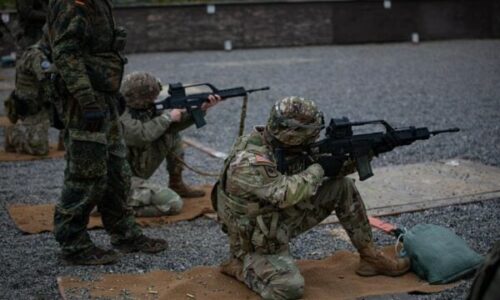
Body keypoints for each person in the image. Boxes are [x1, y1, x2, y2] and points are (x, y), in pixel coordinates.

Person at [214, 97, 410, 300]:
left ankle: (370, 257)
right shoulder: (249, 161)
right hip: (253, 242)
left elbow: (332, 169)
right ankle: (238, 266)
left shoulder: (287, 145)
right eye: (311, 133)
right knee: (289, 288)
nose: (315, 137)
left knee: (342, 186)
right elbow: (284, 194)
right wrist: (320, 168)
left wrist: (369, 151)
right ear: (292, 133)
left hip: (274, 222)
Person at [47, 0, 166, 265]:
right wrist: (87, 100)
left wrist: (113, 95)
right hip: (83, 101)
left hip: (104, 98)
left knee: (117, 170)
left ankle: (124, 234)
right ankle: (73, 244)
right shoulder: (73, 3)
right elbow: (66, 53)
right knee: (86, 175)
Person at [119, 72, 220, 217]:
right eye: (151, 98)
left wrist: (201, 108)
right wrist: (168, 117)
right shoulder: (119, 113)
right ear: (141, 99)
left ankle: (176, 184)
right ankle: (112, 210)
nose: (154, 100)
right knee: (173, 204)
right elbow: (140, 135)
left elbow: (169, 127)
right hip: (116, 182)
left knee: (171, 135)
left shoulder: (141, 108)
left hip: (131, 171)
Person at [4, 33, 64, 155]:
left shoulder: (40, 52)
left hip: (36, 102)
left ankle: (66, 139)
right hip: (32, 107)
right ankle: (13, 134)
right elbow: (46, 80)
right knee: (39, 149)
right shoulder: (37, 56)